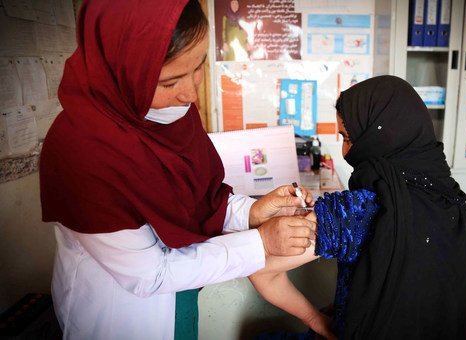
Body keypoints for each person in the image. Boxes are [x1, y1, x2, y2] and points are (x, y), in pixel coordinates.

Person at [39, 1, 316, 339]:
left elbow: (199, 197)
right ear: (121, 70)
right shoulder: (83, 151)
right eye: (169, 83)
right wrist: (261, 242)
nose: (190, 93)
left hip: (182, 293)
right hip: (124, 316)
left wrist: (252, 212)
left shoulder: (171, 113)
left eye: (198, 66)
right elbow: (150, 275)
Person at [249, 75, 466, 339]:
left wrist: (319, 322)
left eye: (347, 137)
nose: (345, 151)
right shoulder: (456, 205)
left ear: (377, 136)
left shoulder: (356, 212)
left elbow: (260, 271)